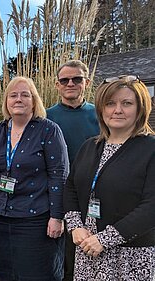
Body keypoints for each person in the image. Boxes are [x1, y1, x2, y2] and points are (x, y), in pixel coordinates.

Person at [63, 75, 155, 281]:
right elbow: (70, 188)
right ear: (101, 109)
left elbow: (151, 206)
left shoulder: (150, 149)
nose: (118, 110)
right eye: (110, 103)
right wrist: (75, 226)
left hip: (131, 257)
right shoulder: (90, 146)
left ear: (140, 108)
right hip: (88, 252)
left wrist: (105, 239)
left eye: (127, 103)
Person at [0, 76, 69, 281]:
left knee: (37, 275)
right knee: (7, 275)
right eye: (13, 95)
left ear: (34, 100)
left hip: (36, 220)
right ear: (6, 101)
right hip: (2, 218)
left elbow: (59, 175)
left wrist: (57, 216)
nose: (18, 99)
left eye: (25, 95)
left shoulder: (48, 130)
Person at [46, 60, 100, 280]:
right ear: (57, 85)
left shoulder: (101, 115)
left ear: (86, 82)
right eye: (64, 80)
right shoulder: (46, 117)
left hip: (95, 194)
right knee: (63, 256)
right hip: (58, 195)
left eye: (76, 79)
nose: (70, 83)